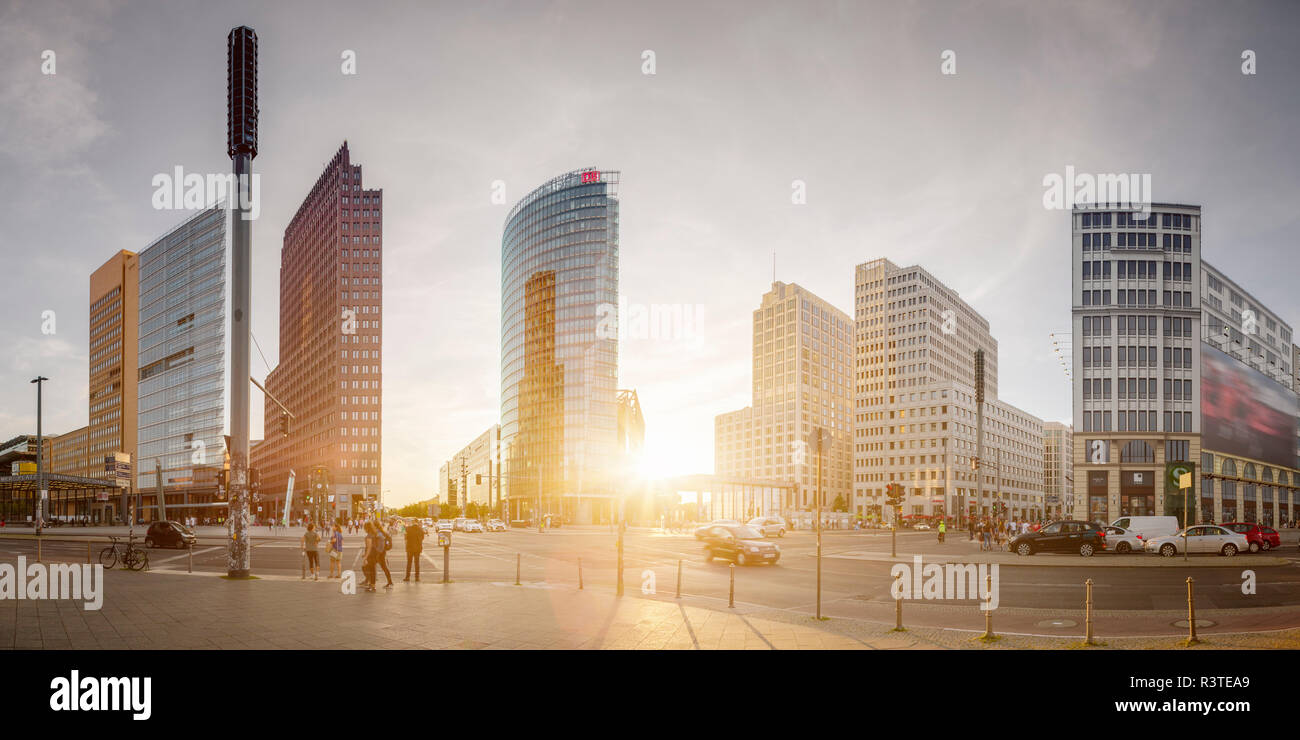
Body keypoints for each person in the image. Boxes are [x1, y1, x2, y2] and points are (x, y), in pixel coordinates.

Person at [374, 520, 394, 588]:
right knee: (384, 567)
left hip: (380, 553)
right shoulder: (382, 532)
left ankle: (390, 582)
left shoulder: (378, 533)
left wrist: (378, 553)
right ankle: (389, 582)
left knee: (382, 567)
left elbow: (380, 544)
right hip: (382, 552)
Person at [361, 522, 378, 592]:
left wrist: (365, 556)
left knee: (367, 569)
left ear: (367, 528)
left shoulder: (369, 536)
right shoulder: (374, 534)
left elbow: (369, 547)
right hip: (375, 554)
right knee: (372, 570)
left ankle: (372, 585)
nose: (364, 529)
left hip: (370, 555)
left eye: (364, 527)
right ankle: (372, 585)